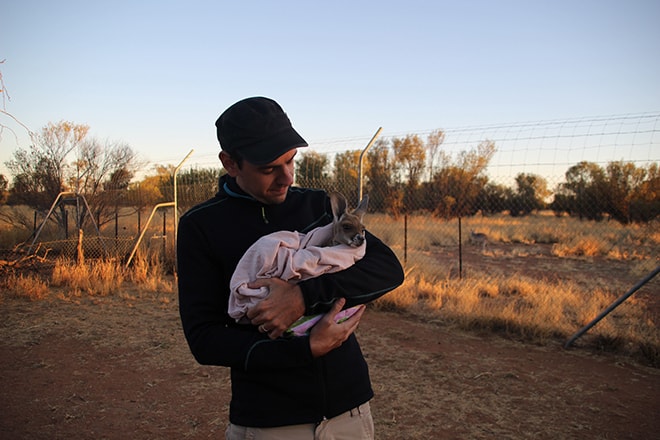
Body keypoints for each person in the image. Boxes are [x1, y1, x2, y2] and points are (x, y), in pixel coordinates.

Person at [177, 96, 405, 440]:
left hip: (349, 411)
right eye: (269, 169)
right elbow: (204, 339)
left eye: (291, 161)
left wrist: (303, 295)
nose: (286, 177)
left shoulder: (316, 206)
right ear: (231, 163)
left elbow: (387, 268)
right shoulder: (202, 226)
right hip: (270, 420)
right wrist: (303, 349)